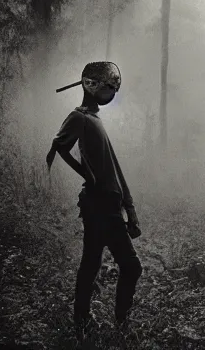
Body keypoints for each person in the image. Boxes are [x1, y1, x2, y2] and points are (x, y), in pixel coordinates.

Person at [46, 62, 142, 341]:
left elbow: (114, 167)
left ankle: (82, 322)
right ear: (90, 85)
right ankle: (120, 327)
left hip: (108, 203)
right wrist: (87, 175)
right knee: (130, 266)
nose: (111, 91)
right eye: (106, 86)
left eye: (114, 87)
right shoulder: (78, 117)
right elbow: (58, 147)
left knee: (90, 263)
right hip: (99, 204)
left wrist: (130, 207)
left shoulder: (94, 119)